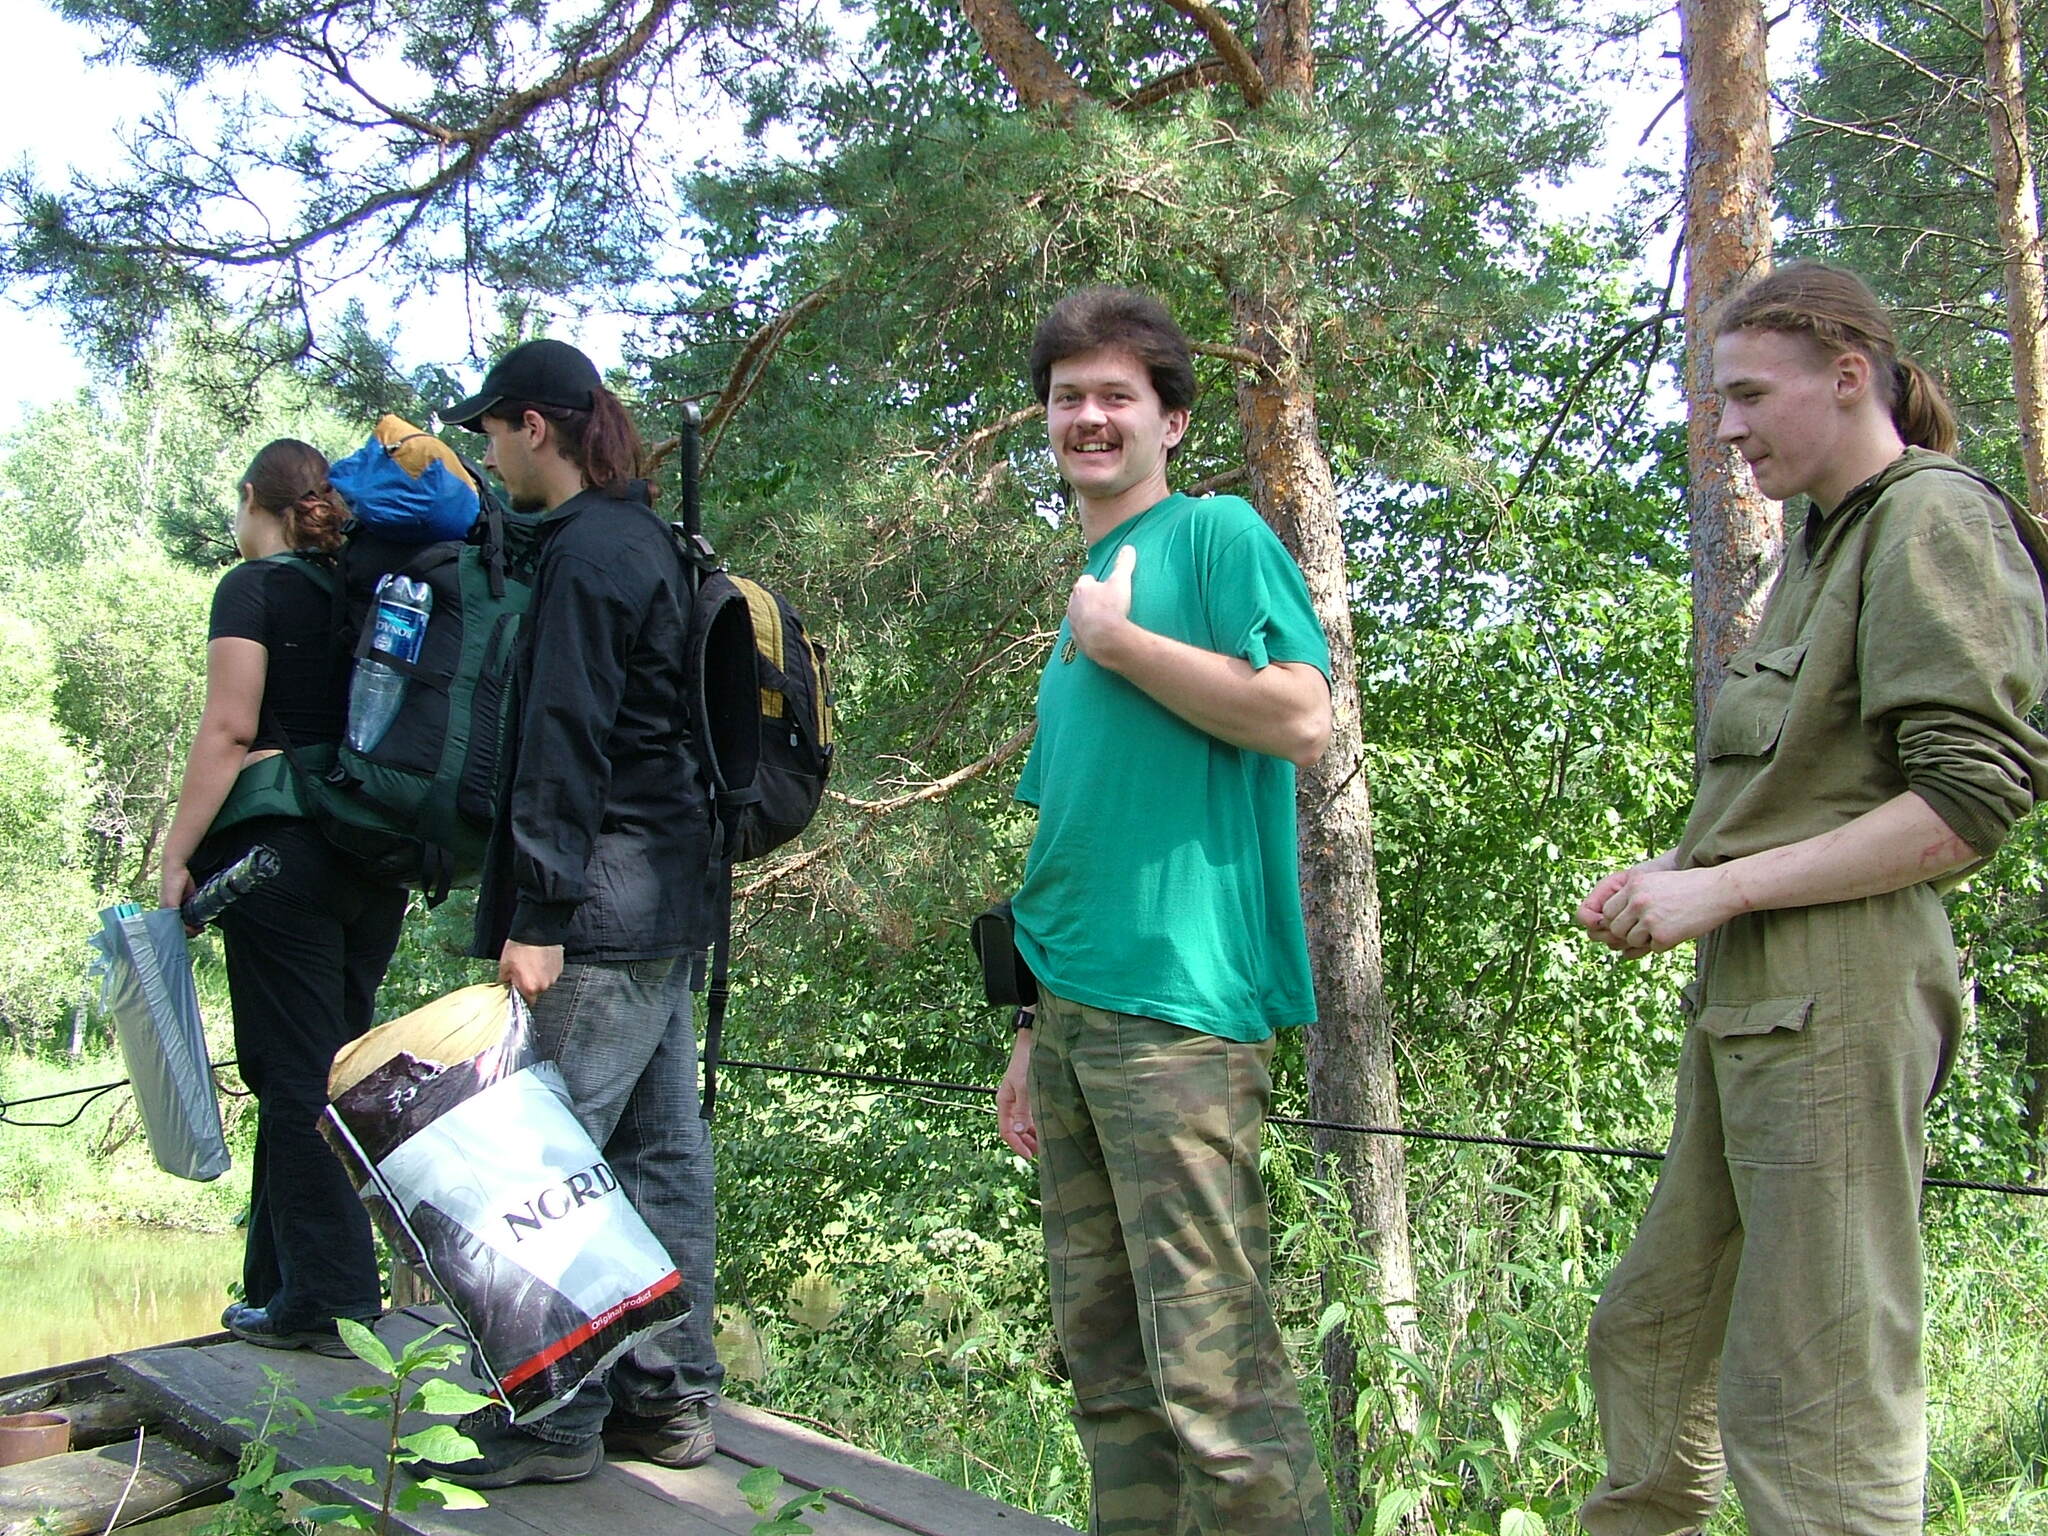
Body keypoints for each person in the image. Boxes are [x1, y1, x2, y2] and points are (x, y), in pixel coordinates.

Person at [1574, 263, 2048, 1535]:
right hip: (1757, 995)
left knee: (1814, 1392)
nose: (1725, 429)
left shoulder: (1931, 518)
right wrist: (1673, 879)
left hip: (1839, 988)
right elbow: (1806, 789)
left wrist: (1719, 890)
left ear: (1847, 376)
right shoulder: (1821, 542)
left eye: (1746, 395)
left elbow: (1961, 808)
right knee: (1651, 1333)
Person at [994, 287, 1337, 1536]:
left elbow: (1301, 716)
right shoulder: (1085, 594)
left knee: (1214, 1381)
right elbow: (1070, 838)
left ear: (1171, 422)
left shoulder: (1209, 535)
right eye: (1066, 398)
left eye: (1115, 397)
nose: (1087, 417)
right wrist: (1027, 1031)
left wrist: (1122, 644)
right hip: (1072, 1016)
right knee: (1104, 1365)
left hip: (1179, 1022)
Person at [422, 338, 724, 1488]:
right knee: (657, 1159)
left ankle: (550, 1419)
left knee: (543, 1162)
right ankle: (666, 1398)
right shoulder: (644, 537)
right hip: (666, 896)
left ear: (532, 427)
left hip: (596, 906)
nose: (490, 453)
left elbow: (564, 739)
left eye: (492, 430)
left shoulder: (589, 553)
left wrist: (539, 913)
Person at [159, 439, 407, 1358]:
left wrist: (177, 855)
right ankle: (278, 1284)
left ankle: (331, 1300)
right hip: (372, 861)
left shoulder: (252, 588)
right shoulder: (366, 589)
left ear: (252, 501)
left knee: (293, 1072)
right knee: (325, 1069)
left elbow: (229, 730)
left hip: (280, 861)